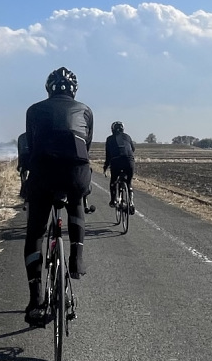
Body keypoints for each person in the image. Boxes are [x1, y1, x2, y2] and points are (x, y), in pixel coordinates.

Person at [22, 67, 94, 324]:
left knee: (36, 234)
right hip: (75, 171)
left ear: (48, 89)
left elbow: (29, 144)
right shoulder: (85, 109)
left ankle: (36, 298)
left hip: (43, 172)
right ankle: (77, 258)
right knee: (76, 203)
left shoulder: (33, 110)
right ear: (74, 90)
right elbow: (87, 144)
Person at [103, 121, 136, 213]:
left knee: (113, 180)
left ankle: (113, 200)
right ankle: (131, 203)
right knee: (129, 182)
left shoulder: (109, 139)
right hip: (129, 161)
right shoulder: (127, 137)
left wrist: (105, 167)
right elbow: (133, 149)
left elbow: (108, 155)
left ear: (112, 130)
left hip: (116, 161)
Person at [16, 131, 31, 205]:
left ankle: (24, 193)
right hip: (32, 159)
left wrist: (19, 164)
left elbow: (19, 152)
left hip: (23, 159)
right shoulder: (37, 135)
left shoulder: (21, 137)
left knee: (23, 177)